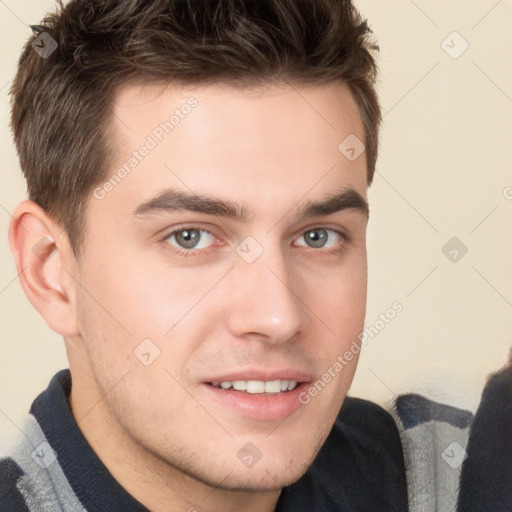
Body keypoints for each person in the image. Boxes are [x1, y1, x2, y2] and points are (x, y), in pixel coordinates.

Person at [0, 0, 408, 510]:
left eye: (317, 236)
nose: (278, 317)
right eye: (189, 237)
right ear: (52, 273)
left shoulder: (456, 473)